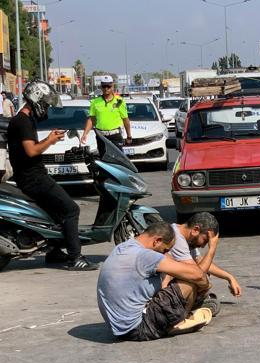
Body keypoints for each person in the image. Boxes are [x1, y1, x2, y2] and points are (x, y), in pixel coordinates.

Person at [6, 80, 96, 270]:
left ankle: (54, 252)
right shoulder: (22, 121)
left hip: (33, 175)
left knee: (54, 212)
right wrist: (50, 140)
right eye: (45, 103)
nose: (46, 108)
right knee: (71, 210)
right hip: (32, 178)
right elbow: (31, 151)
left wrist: (50, 140)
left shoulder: (26, 120)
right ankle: (75, 257)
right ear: (36, 99)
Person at [97, 222, 218, 341]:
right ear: (157, 241)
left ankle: (179, 312)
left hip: (119, 326)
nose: (166, 254)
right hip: (138, 328)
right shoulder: (146, 256)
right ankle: (179, 320)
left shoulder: (125, 247)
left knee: (174, 273)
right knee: (189, 283)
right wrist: (205, 287)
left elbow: (169, 262)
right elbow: (197, 275)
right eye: (165, 250)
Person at [163, 212, 242, 302]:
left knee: (203, 274)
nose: (204, 246)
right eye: (205, 240)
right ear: (195, 230)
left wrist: (229, 277)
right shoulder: (176, 238)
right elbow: (198, 274)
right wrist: (212, 248)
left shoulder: (188, 239)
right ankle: (177, 308)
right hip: (160, 289)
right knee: (197, 279)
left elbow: (201, 262)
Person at [81, 75, 132, 148]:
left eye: (108, 86)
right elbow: (91, 120)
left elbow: (125, 119)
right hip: (101, 136)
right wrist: (85, 134)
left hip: (115, 135)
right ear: (101, 87)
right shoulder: (95, 102)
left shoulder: (119, 101)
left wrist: (129, 136)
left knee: (117, 158)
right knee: (103, 158)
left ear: (112, 86)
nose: (106, 88)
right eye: (104, 86)